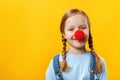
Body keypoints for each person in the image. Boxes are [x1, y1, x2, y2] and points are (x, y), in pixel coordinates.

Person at [46, 8, 108, 80]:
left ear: (89, 31)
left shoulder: (99, 62)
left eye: (82, 28)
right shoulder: (56, 62)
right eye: (71, 29)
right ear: (64, 34)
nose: (78, 33)